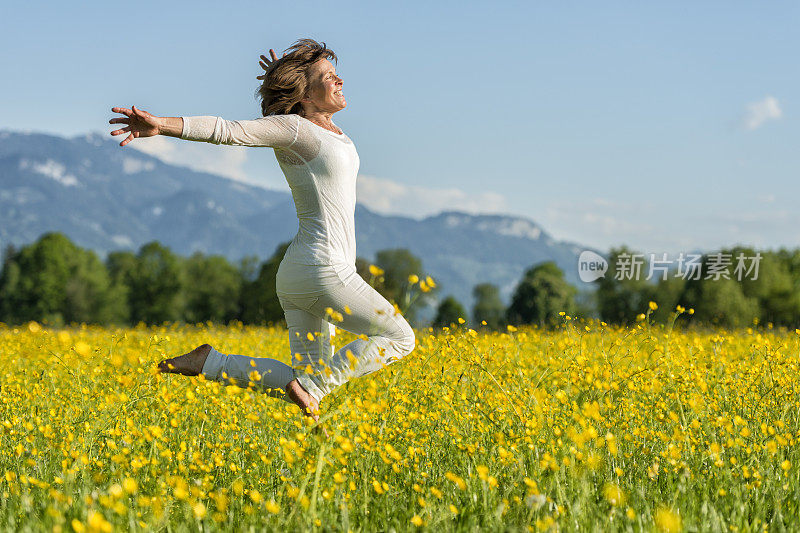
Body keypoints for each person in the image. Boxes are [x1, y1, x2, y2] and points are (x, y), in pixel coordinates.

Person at [109, 38, 416, 436]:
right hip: (324, 270)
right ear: (305, 95)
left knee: (304, 379)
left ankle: (210, 363)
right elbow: (230, 131)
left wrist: (284, 74)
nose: (339, 80)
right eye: (327, 77)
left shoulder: (326, 129)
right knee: (399, 337)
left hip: (303, 272)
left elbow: (301, 99)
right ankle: (313, 388)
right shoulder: (294, 129)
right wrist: (162, 125)